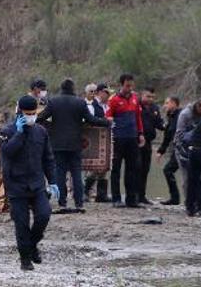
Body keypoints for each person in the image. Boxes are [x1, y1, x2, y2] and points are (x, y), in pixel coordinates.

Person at [0, 95, 59, 271]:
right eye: (28, 113)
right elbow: (7, 152)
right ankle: (25, 259)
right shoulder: (7, 132)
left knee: (44, 215)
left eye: (34, 113)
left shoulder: (41, 131)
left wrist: (53, 181)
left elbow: (48, 158)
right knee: (22, 223)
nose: (31, 116)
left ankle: (32, 245)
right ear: (20, 113)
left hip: (37, 184)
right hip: (16, 185)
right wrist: (18, 134)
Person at [37, 78, 109, 212]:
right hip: (75, 143)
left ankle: (62, 202)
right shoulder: (80, 102)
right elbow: (90, 119)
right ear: (73, 89)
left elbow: (42, 117)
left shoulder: (54, 101)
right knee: (76, 173)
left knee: (60, 173)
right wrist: (105, 122)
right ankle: (79, 202)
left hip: (57, 144)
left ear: (61, 88)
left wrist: (30, 119)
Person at [106, 74, 145, 208]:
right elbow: (108, 116)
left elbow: (138, 117)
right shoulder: (114, 99)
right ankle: (116, 199)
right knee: (116, 169)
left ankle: (131, 199)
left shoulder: (135, 98)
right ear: (122, 85)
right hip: (118, 138)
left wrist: (140, 133)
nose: (130, 88)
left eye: (131, 85)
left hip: (132, 138)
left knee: (132, 169)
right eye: (127, 85)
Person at [174, 98, 201, 207]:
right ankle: (189, 203)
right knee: (187, 178)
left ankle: (200, 203)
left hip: (199, 149)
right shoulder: (185, 115)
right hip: (182, 149)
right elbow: (180, 135)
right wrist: (197, 131)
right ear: (198, 107)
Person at [85, 82, 112, 202]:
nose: (108, 95)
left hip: (107, 138)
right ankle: (85, 191)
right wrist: (105, 121)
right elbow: (90, 120)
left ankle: (101, 195)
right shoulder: (92, 105)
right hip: (95, 139)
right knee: (95, 168)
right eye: (106, 92)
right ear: (99, 92)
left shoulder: (108, 106)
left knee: (105, 167)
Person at [139, 87, 165, 205]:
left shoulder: (155, 108)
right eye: (148, 96)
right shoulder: (136, 106)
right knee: (135, 168)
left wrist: (168, 126)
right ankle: (132, 194)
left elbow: (159, 124)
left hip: (149, 142)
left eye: (152, 97)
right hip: (136, 141)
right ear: (142, 95)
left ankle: (142, 195)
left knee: (145, 168)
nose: (150, 99)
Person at [156, 96, 182, 205]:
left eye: (167, 103)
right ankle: (175, 198)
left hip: (184, 149)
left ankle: (192, 201)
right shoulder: (170, 116)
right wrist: (161, 151)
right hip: (176, 149)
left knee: (169, 170)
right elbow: (167, 135)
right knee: (168, 170)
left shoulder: (181, 116)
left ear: (174, 104)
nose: (164, 106)